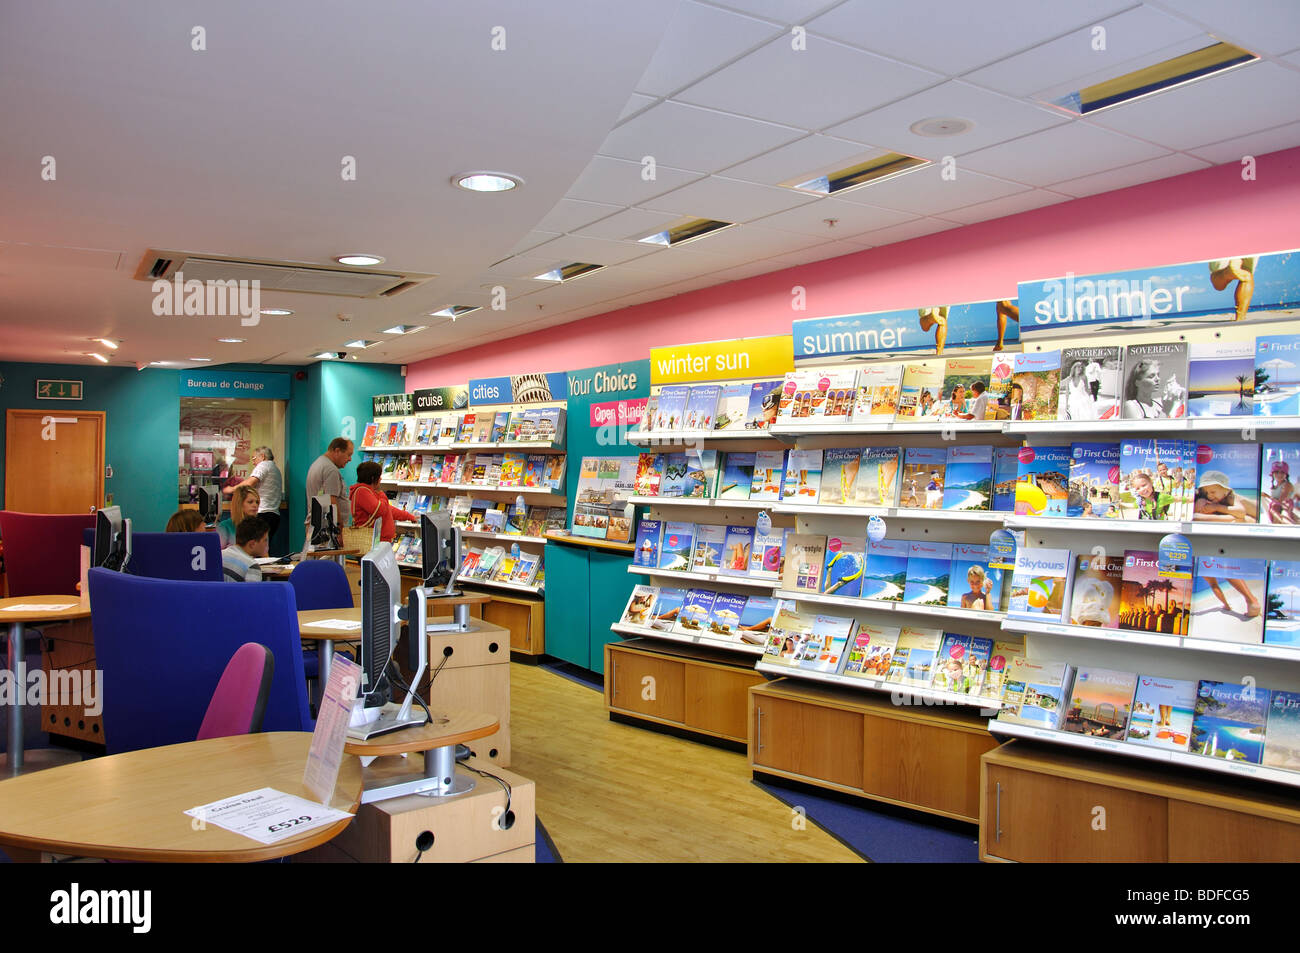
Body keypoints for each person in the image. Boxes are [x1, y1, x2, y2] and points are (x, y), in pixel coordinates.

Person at [349, 461, 418, 543]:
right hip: (372, 541)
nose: (381, 479)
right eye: (379, 476)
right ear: (373, 478)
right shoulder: (362, 491)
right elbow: (379, 510)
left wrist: (408, 516)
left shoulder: (370, 492)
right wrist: (382, 495)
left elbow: (388, 510)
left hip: (380, 540)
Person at [225, 446, 283, 540]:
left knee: (253, 546)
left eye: (254, 459)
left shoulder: (264, 465)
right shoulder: (275, 468)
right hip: (273, 515)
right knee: (263, 547)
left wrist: (231, 489)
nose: (253, 462)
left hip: (263, 513)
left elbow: (249, 483)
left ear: (263, 456)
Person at [306, 437, 355, 529]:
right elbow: (332, 502)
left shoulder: (318, 463)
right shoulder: (331, 470)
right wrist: (339, 528)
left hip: (316, 525)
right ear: (337, 451)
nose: (350, 459)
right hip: (327, 529)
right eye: (348, 455)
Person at [222, 515, 269, 582]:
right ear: (252, 544)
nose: (266, 544)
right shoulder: (251, 567)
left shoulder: (220, 555)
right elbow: (253, 592)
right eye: (265, 540)